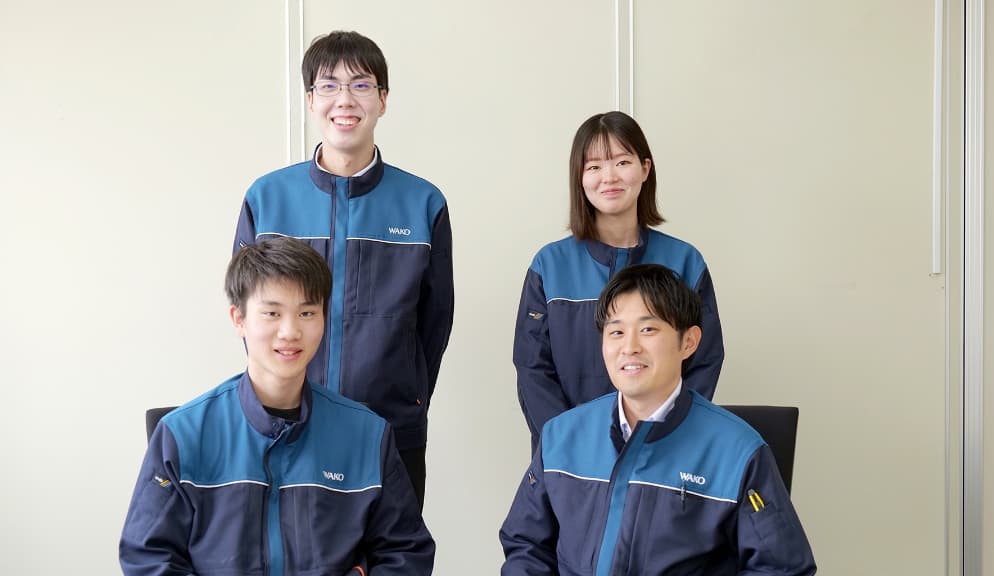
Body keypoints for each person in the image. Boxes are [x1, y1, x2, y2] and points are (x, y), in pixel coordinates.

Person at [120, 237, 434, 575]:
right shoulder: (182, 435)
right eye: (272, 313)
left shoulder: (367, 435)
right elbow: (147, 557)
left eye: (307, 313)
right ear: (238, 318)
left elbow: (406, 551)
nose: (290, 331)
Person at [233, 31, 453, 508]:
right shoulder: (267, 199)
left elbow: (435, 323)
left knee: (394, 546)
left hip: (389, 426)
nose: (345, 100)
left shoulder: (423, 204)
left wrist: (409, 397)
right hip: (283, 426)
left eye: (361, 85)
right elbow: (250, 313)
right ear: (311, 100)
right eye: (329, 85)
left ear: (383, 99)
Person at [500, 264, 816, 575]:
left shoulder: (738, 450)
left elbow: (782, 568)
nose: (629, 347)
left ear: (689, 341)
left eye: (648, 330)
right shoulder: (561, 435)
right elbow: (526, 545)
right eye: (616, 332)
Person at [514, 110, 723, 452]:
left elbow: (704, 360)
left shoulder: (684, 262)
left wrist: (660, 437)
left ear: (645, 168)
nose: (609, 177)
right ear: (579, 177)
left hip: (662, 452)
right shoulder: (549, 265)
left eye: (622, 162)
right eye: (594, 166)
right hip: (570, 456)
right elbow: (532, 368)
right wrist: (573, 443)